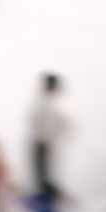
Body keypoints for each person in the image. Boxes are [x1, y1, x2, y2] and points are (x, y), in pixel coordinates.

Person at [29, 73, 68, 202]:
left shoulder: (55, 103)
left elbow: (63, 123)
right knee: (39, 169)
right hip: (39, 139)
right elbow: (34, 119)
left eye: (46, 84)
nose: (43, 86)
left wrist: (50, 138)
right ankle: (44, 194)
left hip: (46, 141)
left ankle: (49, 197)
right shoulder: (43, 100)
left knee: (45, 170)